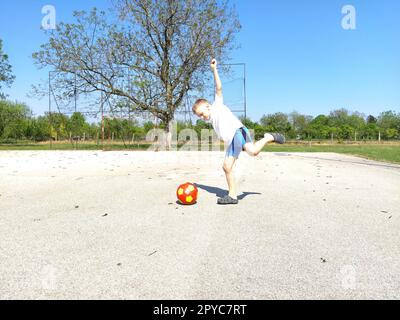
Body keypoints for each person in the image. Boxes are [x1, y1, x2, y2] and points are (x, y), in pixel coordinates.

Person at [192, 58, 286, 205]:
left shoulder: (217, 105)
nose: (202, 117)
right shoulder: (211, 119)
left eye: (202, 113)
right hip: (236, 137)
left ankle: (233, 195)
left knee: (227, 166)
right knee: (253, 152)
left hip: (238, 132)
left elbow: (218, 88)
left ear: (208, 106)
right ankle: (268, 137)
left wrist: (214, 70)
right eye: (199, 116)